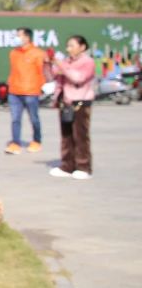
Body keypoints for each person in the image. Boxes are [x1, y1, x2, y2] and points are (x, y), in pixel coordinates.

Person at [49, 34, 95, 180]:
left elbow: (78, 78)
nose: (68, 49)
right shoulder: (66, 61)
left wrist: (61, 65)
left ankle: (83, 166)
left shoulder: (87, 62)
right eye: (67, 46)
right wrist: (49, 63)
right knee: (66, 136)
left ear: (82, 47)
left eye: (72, 46)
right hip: (65, 101)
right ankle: (67, 165)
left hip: (80, 102)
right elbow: (51, 76)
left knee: (80, 135)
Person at [6, 27, 47, 154]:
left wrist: (41, 87)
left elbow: (42, 72)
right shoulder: (13, 53)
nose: (16, 38)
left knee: (34, 118)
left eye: (19, 35)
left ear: (27, 38)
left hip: (31, 91)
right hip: (14, 91)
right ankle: (15, 143)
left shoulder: (38, 53)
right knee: (15, 119)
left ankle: (36, 141)